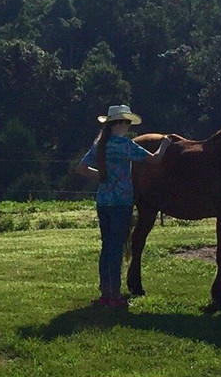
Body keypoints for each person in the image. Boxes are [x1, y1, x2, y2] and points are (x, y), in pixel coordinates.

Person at [76, 104, 171, 307]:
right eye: (127, 122)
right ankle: (114, 295)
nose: (128, 126)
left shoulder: (100, 145)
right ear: (120, 123)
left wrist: (102, 176)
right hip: (121, 202)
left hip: (103, 201)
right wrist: (164, 144)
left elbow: (82, 168)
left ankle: (105, 291)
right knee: (117, 248)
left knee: (107, 246)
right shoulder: (125, 145)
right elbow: (155, 160)